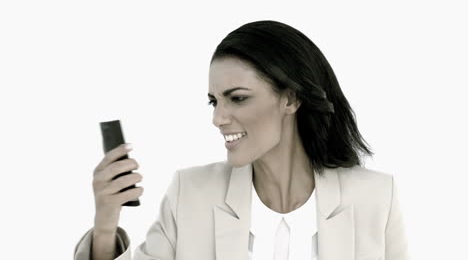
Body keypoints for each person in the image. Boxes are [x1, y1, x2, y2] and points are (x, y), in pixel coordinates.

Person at [74, 20, 410, 260]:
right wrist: (105, 226)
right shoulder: (190, 193)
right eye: (214, 101)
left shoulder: (376, 198)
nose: (218, 118)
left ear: (291, 99)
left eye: (237, 98)